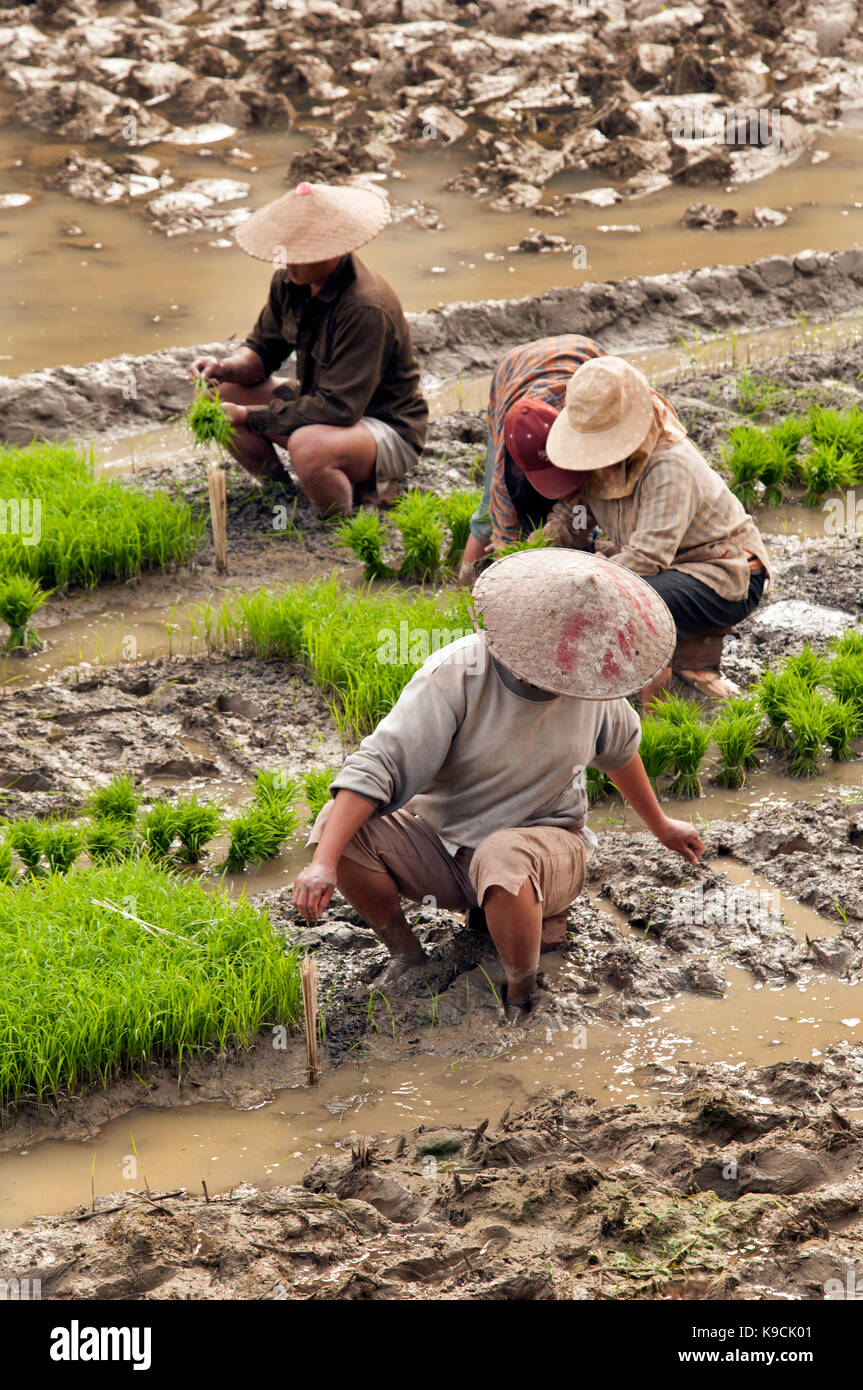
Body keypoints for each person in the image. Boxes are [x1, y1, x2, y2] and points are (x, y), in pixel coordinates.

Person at [292, 548, 705, 1016]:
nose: (555, 677)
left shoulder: (592, 685)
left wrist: (661, 825)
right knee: (338, 829)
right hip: (446, 847)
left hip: (546, 851)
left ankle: (521, 993)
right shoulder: (456, 675)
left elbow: (621, 752)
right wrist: (323, 863)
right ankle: (409, 957)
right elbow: (379, 764)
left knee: (504, 855)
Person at [510, 356, 771, 700]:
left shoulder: (669, 465)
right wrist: (545, 547)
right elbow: (577, 512)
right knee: (584, 566)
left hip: (722, 573)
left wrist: (577, 589)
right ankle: (669, 658)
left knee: (628, 600)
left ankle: (653, 693)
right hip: (669, 565)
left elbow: (647, 558)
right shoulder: (600, 463)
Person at [190, 181, 428, 516]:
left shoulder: (364, 308)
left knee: (308, 447)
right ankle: (283, 493)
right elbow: (262, 351)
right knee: (220, 394)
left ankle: (339, 519)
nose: (287, 261)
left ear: (331, 251)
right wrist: (225, 368)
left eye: (298, 253)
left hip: (385, 428)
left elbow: (339, 409)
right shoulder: (290, 282)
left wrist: (249, 417)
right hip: (327, 407)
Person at [458, 335, 605, 584]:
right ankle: (463, 588)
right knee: (486, 515)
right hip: (513, 370)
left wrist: (578, 534)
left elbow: (582, 509)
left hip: (583, 358)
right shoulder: (504, 480)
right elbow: (507, 554)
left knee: (589, 511)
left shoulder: (586, 430)